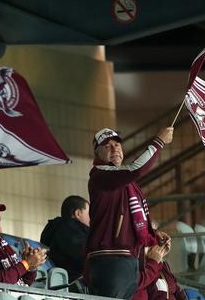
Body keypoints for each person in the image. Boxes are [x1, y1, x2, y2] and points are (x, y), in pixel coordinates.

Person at [84, 127, 173, 299]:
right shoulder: (100, 175)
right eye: (107, 146)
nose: (115, 148)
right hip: (109, 261)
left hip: (127, 261)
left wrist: (153, 234)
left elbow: (127, 218)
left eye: (117, 145)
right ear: (97, 153)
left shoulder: (123, 182)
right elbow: (136, 169)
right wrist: (159, 142)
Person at [40, 195, 90, 291]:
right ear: (78, 213)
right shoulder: (73, 232)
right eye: (88, 214)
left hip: (57, 283)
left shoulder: (52, 230)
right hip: (76, 285)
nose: (91, 218)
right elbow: (86, 257)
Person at [134, 222, 185, 300]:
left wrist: (160, 255)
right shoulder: (139, 266)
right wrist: (153, 261)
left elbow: (176, 290)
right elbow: (140, 285)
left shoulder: (162, 265)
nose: (155, 241)